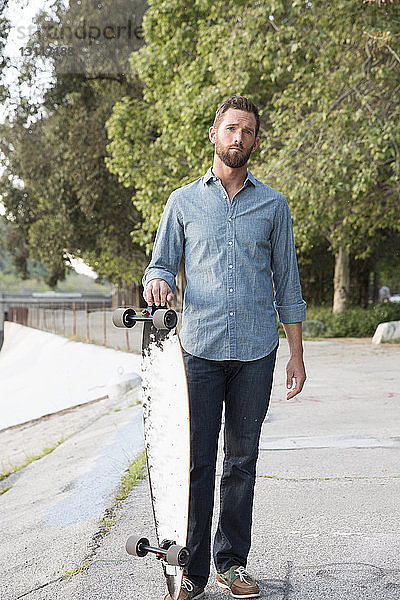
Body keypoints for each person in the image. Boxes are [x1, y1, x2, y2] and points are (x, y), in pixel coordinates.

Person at [142, 95, 307, 600]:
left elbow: (288, 282)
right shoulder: (182, 202)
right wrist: (158, 283)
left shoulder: (273, 205)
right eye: (231, 128)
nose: (239, 138)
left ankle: (231, 563)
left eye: (248, 131)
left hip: (257, 351)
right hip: (199, 350)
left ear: (256, 142)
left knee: (241, 461)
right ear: (214, 134)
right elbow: (161, 265)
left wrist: (296, 352)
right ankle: (188, 568)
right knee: (194, 462)